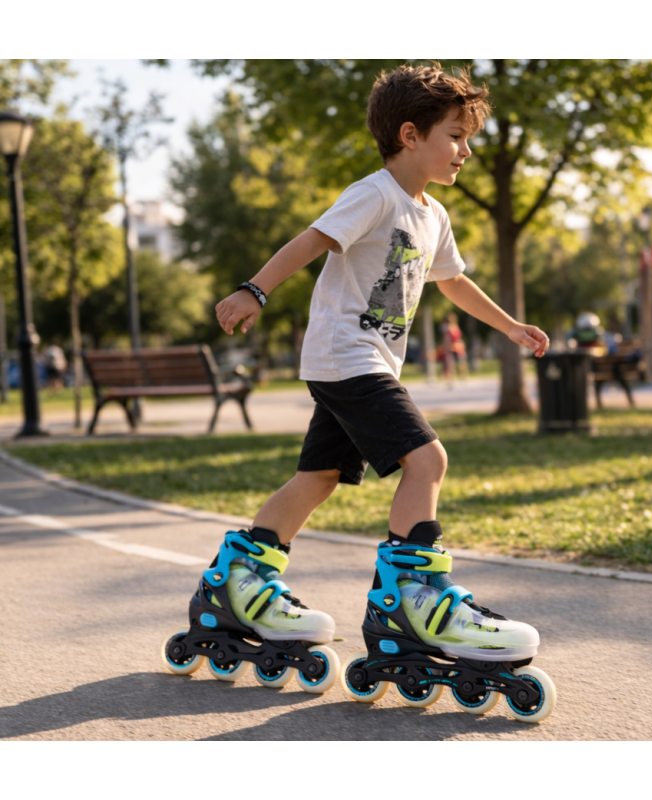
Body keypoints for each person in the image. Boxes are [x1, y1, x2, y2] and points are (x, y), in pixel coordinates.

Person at [166, 64, 555, 720]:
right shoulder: (374, 194)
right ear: (410, 135)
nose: (465, 150)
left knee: (318, 476)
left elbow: (453, 282)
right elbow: (313, 240)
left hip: (362, 362)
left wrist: (511, 326)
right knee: (427, 460)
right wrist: (254, 289)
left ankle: (235, 584)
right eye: (455, 136)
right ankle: (411, 602)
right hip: (347, 358)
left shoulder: (432, 215)